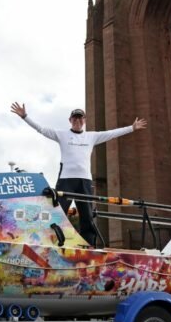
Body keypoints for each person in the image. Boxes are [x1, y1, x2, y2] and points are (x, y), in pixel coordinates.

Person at [10, 102, 147, 246]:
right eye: (74, 118)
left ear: (84, 121)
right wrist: (25, 117)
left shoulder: (91, 136)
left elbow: (111, 134)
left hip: (85, 181)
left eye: (80, 118)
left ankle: (88, 245)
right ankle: (52, 241)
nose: (77, 121)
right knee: (58, 211)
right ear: (70, 120)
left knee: (87, 215)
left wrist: (132, 128)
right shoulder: (62, 135)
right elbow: (41, 129)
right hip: (66, 180)